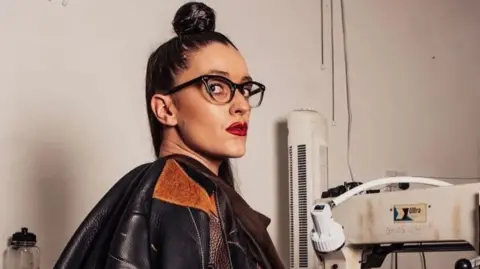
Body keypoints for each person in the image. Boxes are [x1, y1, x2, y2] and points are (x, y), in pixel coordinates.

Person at [53, 2, 285, 269]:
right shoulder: (183, 193)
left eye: (244, 88)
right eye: (217, 87)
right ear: (165, 109)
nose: (242, 105)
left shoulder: (172, 188)